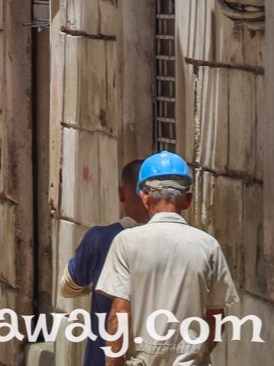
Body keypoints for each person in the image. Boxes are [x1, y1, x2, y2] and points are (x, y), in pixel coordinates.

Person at [95, 151, 238, 366]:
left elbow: (120, 313)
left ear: (144, 196)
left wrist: (114, 362)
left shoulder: (126, 242)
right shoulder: (208, 246)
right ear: (187, 200)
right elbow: (217, 319)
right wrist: (193, 353)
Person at [62, 159, 150, 366]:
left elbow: (67, 287)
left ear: (121, 193)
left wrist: (97, 282)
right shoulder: (174, 243)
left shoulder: (100, 239)